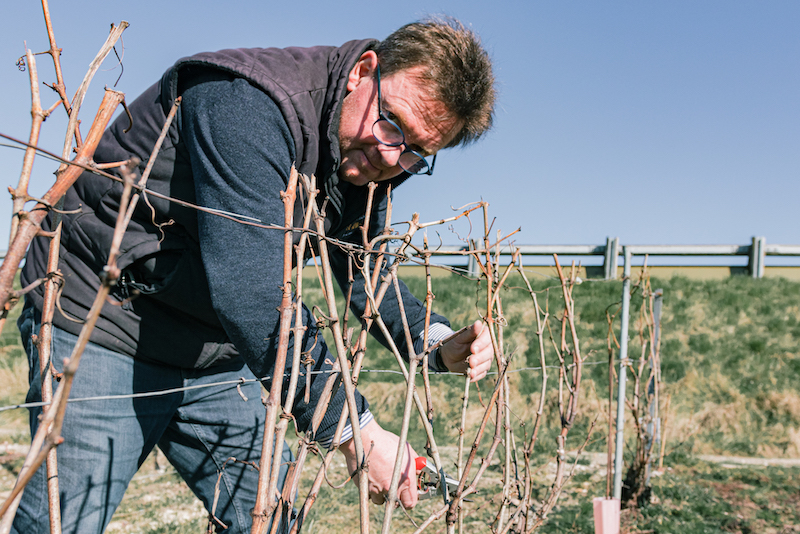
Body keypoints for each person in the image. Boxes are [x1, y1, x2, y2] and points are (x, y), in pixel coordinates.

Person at [13, 16, 496, 534]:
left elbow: (362, 267)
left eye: (417, 152)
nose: (390, 154)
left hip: (212, 351)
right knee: (63, 524)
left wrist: (434, 340)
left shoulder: (362, 154)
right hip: (103, 327)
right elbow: (252, 296)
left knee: (271, 518)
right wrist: (357, 430)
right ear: (363, 70)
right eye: (392, 124)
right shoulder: (248, 106)